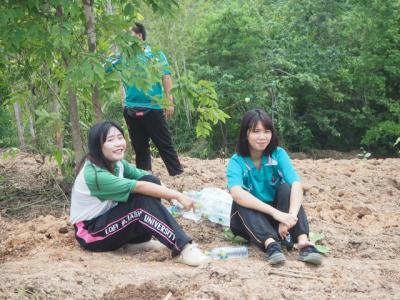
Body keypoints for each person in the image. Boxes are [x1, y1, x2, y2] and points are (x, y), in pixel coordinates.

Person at [69, 121, 210, 266]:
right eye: (110, 140)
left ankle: (137, 241)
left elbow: (146, 178)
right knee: (140, 204)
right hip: (92, 234)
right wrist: (177, 195)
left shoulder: (116, 164)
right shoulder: (95, 175)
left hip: (108, 222)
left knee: (151, 180)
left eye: (120, 137)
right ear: (98, 146)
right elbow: (139, 186)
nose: (118, 143)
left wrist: (171, 197)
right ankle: (183, 248)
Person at [226, 109, 323, 265]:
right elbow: (236, 193)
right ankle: (271, 245)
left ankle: (304, 242)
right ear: (246, 134)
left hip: (279, 220)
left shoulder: (278, 154)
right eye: (256, 131)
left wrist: (289, 217)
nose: (262, 137)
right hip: (250, 219)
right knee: (241, 198)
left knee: (287, 187)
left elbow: (296, 185)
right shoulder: (237, 161)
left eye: (267, 131)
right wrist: (277, 214)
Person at [107, 22, 183, 176]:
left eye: (129, 35)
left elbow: (166, 76)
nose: (126, 39)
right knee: (140, 147)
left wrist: (169, 101)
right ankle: (144, 177)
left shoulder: (154, 54)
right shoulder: (123, 56)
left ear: (139, 36)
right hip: (131, 108)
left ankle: (178, 175)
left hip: (153, 107)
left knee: (164, 144)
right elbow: (105, 67)